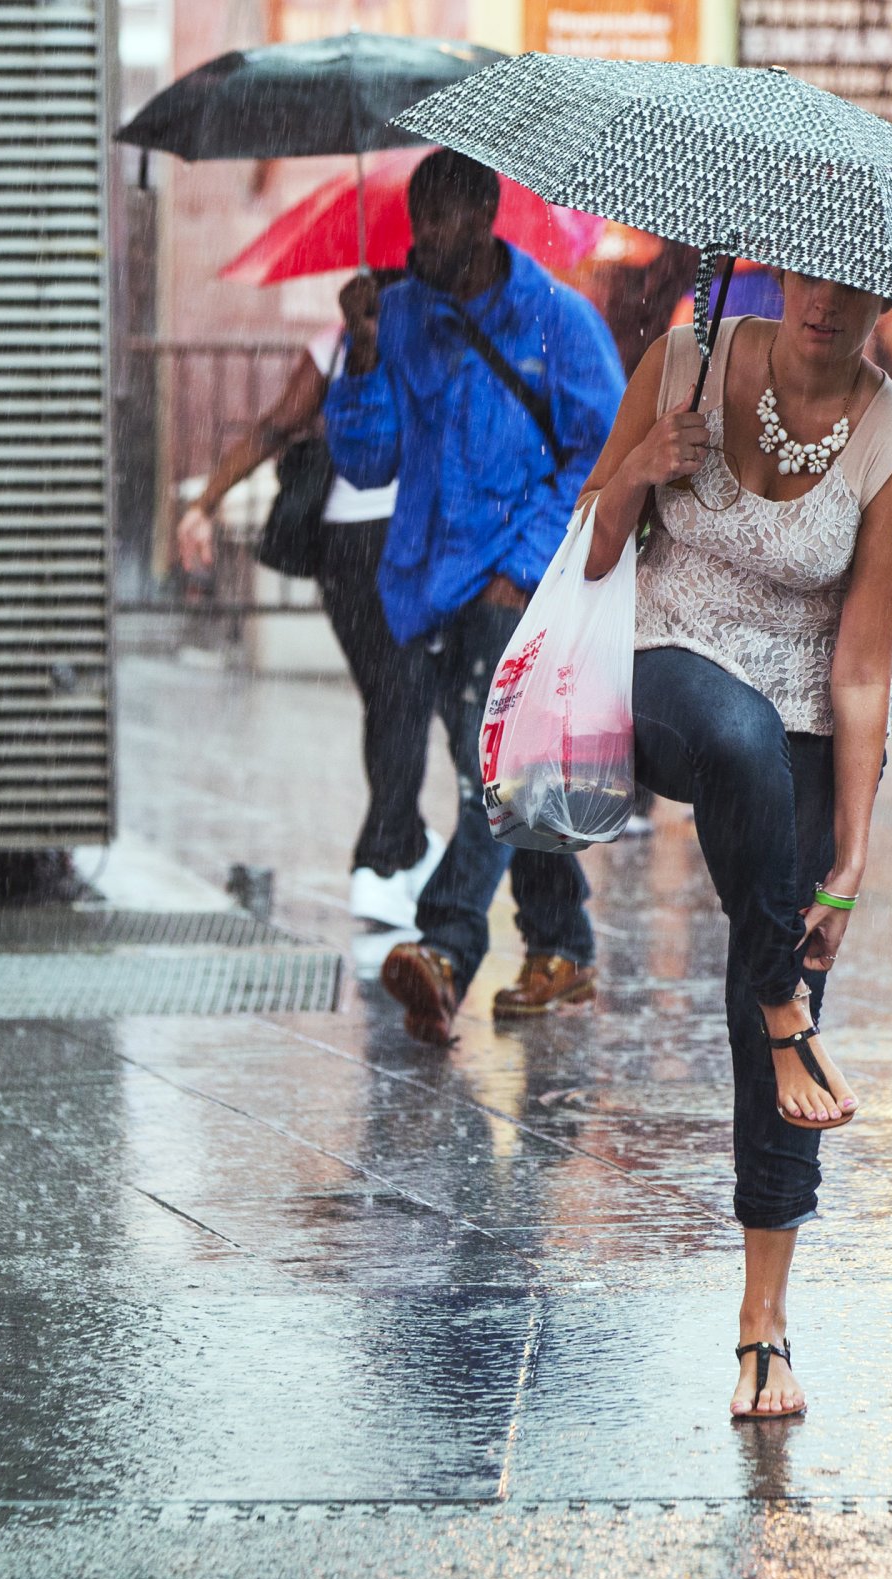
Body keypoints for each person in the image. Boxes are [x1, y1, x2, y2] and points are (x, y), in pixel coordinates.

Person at [577, 276, 892, 1421]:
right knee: (733, 739)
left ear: (885, 292)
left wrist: (856, 857)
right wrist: (642, 465)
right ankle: (790, 1003)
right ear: (782, 267)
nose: (830, 300)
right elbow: (587, 548)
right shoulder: (685, 357)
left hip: (810, 717)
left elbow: (863, 667)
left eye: (858, 282)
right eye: (812, 271)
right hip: (666, 658)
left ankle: (763, 1326)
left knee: (772, 986)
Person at [325, 150, 625, 1047]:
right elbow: (365, 461)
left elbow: (600, 454)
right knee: (507, 765)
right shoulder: (396, 314)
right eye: (421, 222)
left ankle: (448, 947)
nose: (430, 240)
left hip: (510, 581)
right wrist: (367, 356)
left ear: (486, 213)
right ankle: (561, 943)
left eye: (448, 219)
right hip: (422, 586)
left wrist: (525, 563)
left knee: (487, 765)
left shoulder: (557, 321)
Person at [176, 275, 442, 930]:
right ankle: (380, 863)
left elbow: (272, 428)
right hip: (404, 540)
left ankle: (405, 843)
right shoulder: (431, 341)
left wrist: (205, 502)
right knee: (403, 695)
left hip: (341, 549)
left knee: (389, 697)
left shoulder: (332, 346)